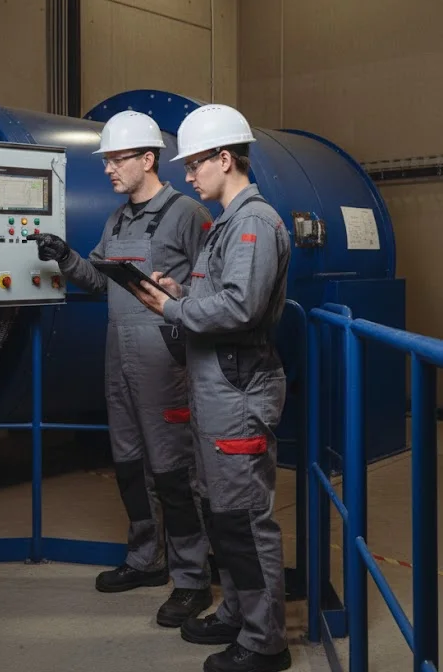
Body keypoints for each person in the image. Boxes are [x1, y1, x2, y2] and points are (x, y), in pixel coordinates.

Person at [29, 110, 213, 628]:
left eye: (117, 158)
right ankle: (145, 559)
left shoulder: (188, 214)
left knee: (174, 473)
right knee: (129, 465)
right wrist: (65, 257)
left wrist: (180, 296)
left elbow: (212, 288)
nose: (108, 168)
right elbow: (96, 280)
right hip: (119, 359)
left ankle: (192, 579)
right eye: (107, 159)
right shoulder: (116, 220)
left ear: (148, 159)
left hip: (165, 362)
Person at [132, 104, 292, 672]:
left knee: (245, 517)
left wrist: (173, 307)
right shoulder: (227, 222)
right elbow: (219, 296)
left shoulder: (252, 222)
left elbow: (243, 307)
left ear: (226, 159)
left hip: (237, 388)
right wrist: (179, 291)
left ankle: (264, 642)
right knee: (223, 511)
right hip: (216, 386)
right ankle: (239, 612)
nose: (188, 174)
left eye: (196, 162)